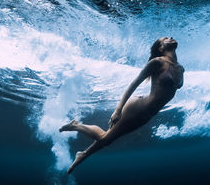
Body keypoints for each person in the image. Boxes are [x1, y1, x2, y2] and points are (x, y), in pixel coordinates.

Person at [59, 37, 184, 174]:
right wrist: (118, 110)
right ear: (161, 48)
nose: (170, 38)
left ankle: (83, 153)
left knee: (107, 138)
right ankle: (76, 127)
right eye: (165, 38)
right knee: (105, 139)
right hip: (137, 108)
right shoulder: (157, 63)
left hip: (147, 115)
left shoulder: (181, 69)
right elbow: (133, 85)